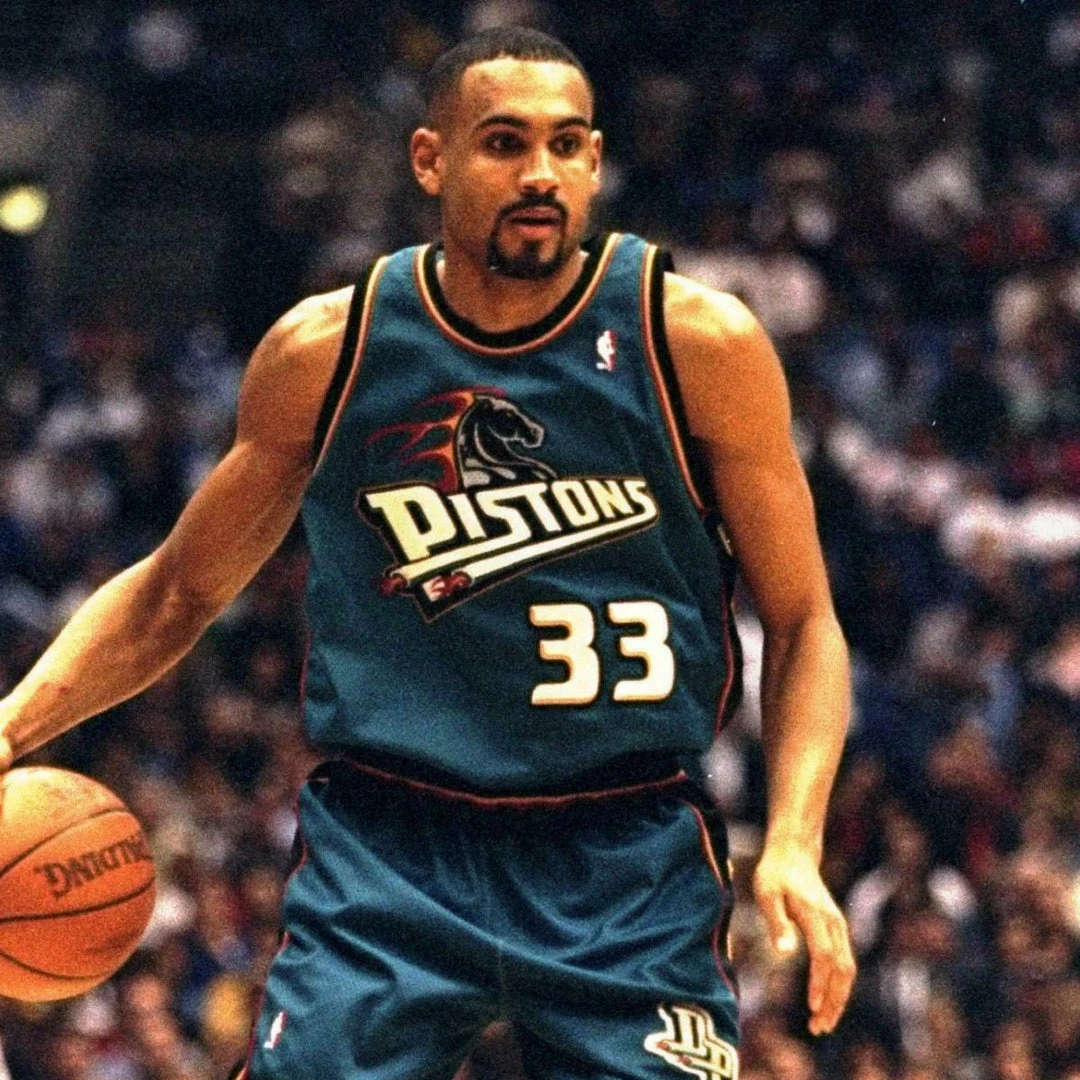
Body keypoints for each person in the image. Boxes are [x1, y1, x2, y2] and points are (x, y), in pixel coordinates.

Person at [0, 26, 855, 1080]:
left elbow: (805, 622)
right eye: (504, 143)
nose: (539, 173)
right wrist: (11, 726)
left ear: (595, 162)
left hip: (625, 851)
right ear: (429, 160)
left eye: (566, 144)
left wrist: (795, 838)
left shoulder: (698, 344)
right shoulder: (331, 350)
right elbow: (177, 590)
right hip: (389, 848)